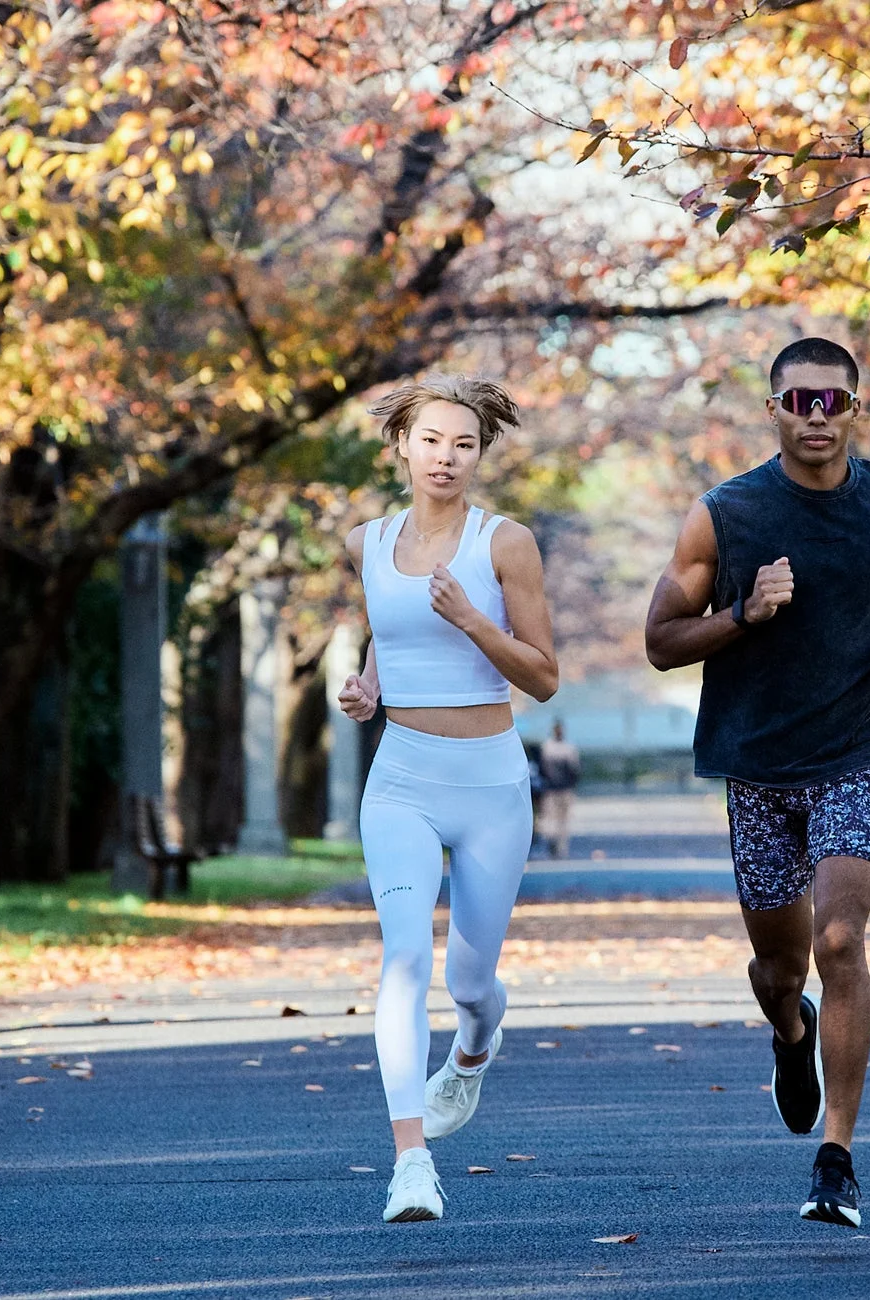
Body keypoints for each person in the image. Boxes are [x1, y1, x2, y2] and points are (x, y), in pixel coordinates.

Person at [642, 337, 870, 1228]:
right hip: (758, 766)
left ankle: (838, 1160)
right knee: (781, 969)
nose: (816, 417)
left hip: (857, 752)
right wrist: (744, 612)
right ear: (771, 409)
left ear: (856, 408)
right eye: (798, 401)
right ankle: (790, 1029)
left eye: (833, 401)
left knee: (841, 941)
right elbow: (661, 642)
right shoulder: (725, 515)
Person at [338, 374, 559, 1224]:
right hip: (400, 780)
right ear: (401, 446)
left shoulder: (506, 545)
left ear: (480, 455)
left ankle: (472, 1052)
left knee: (469, 980)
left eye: (463, 444)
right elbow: (387, 632)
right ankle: (410, 1164)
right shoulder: (365, 542)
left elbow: (541, 677)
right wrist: (368, 686)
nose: (446, 456)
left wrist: (475, 620)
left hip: (491, 784)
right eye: (431, 440)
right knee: (401, 959)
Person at [536, 719, 581, 859]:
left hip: (562, 789)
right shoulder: (550, 747)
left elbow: (575, 770)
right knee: (553, 820)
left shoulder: (565, 748)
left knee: (562, 820)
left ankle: (559, 846)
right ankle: (554, 844)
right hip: (553, 790)